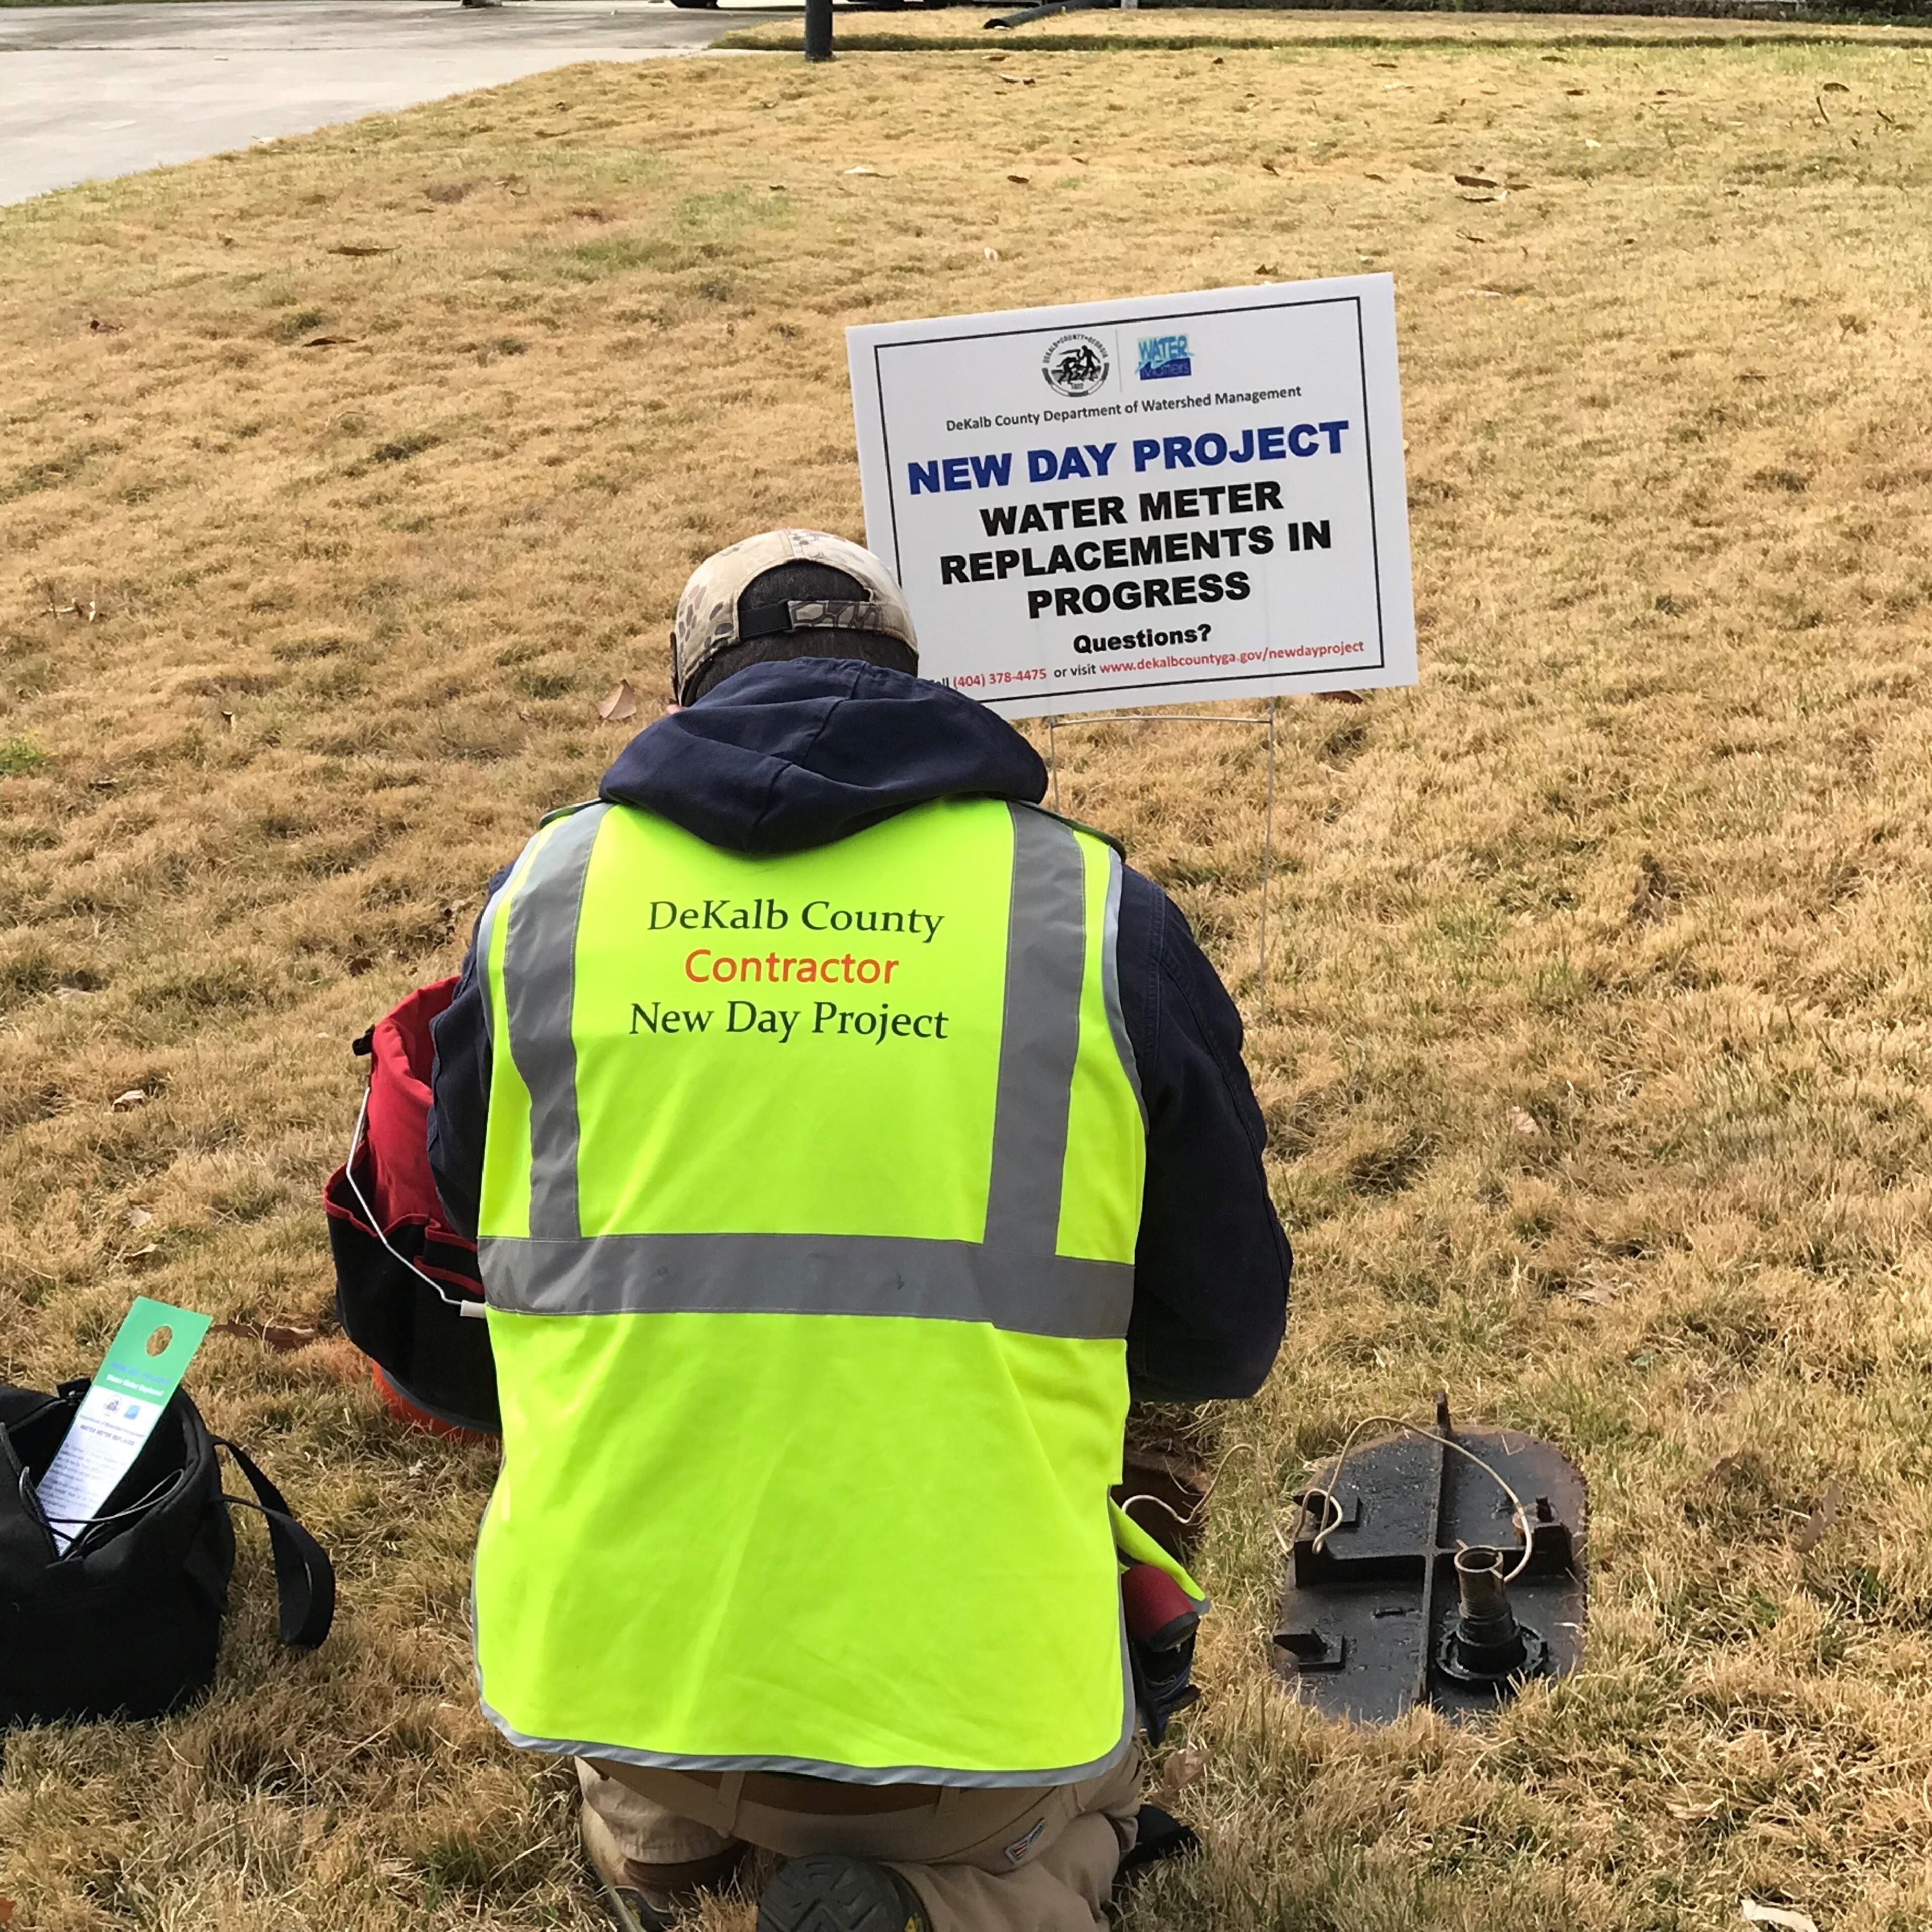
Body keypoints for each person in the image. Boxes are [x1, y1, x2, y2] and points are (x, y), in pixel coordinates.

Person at [426, 529, 1291, 1932]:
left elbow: (475, 1214)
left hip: (621, 1673)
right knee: (1083, 1795)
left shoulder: (546, 901)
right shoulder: (1090, 913)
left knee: (656, 1755)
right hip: (971, 1706)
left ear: (690, 694)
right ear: (911, 678)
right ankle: (952, 1899)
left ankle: (661, 1843)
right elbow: (1226, 1334)